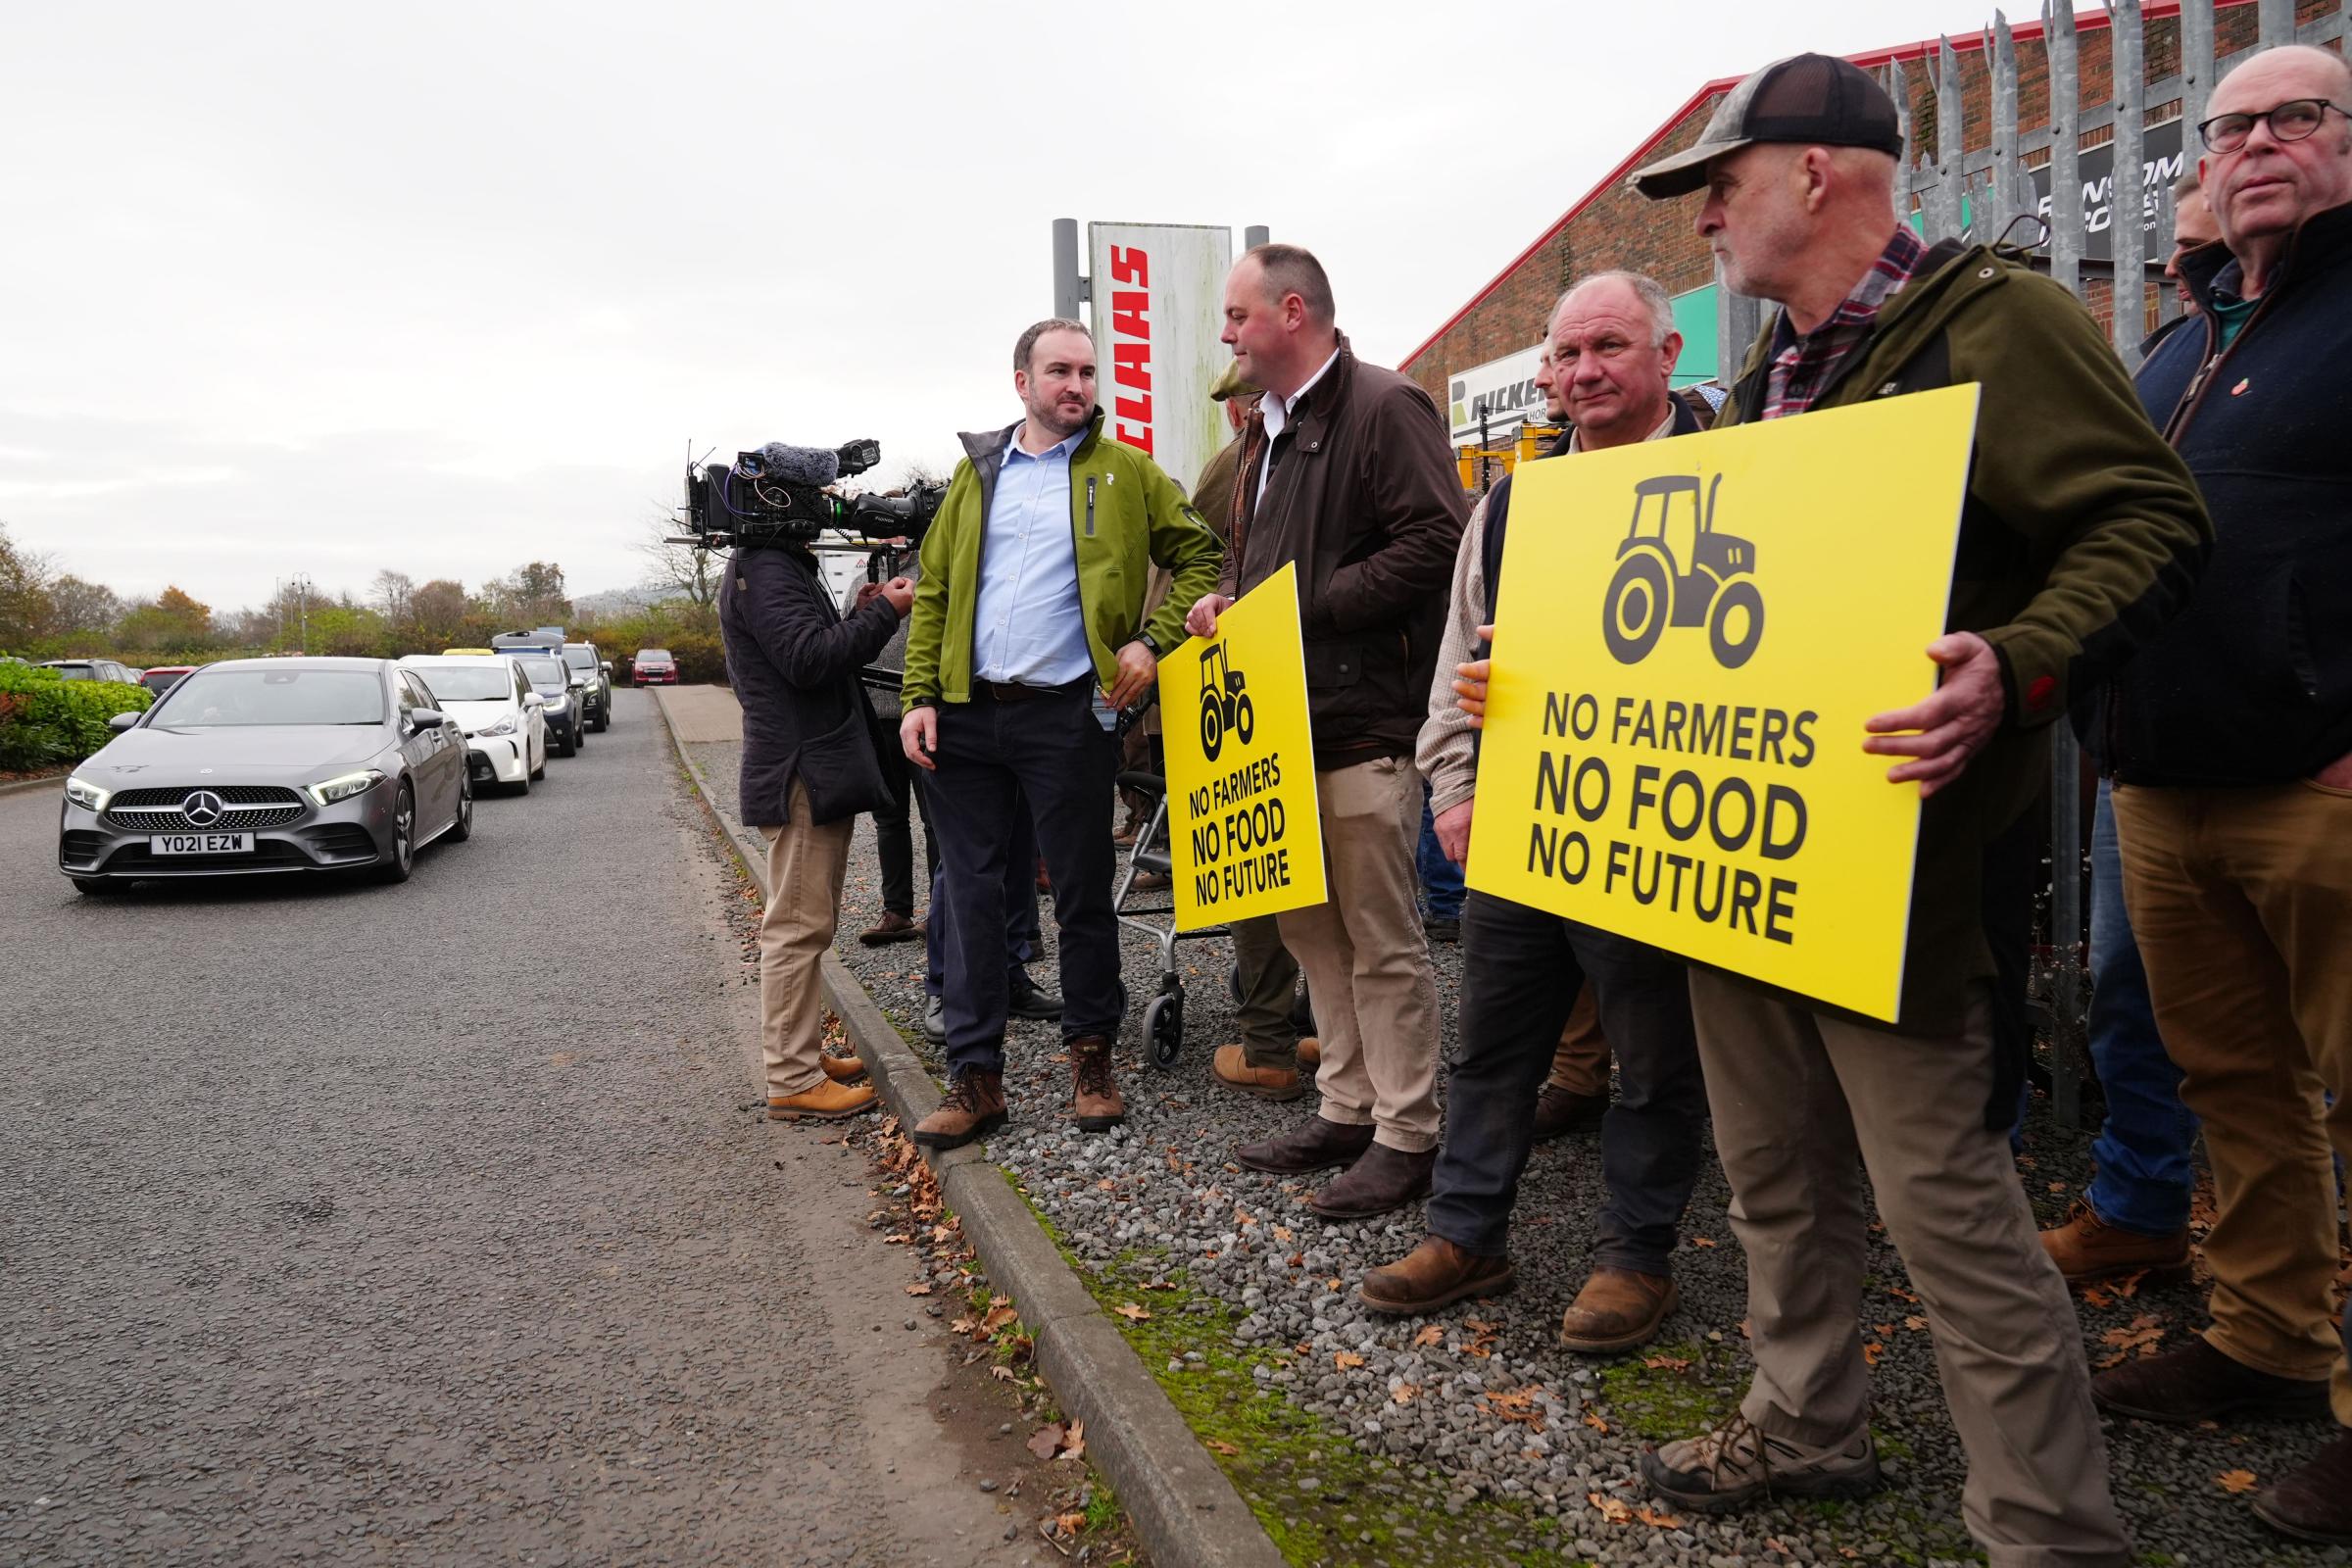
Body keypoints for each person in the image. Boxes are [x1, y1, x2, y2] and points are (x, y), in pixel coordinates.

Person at [1578, 51, 2210, 1563]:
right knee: (1774, 1177)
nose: (1706, 218)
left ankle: (2050, 1528)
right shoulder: (1771, 379)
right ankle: (1807, 1424)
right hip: (1743, 869)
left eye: (1721, 184)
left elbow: (2150, 516)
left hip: (1901, 875)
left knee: (1952, 1216)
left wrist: (2018, 662)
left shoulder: (1991, 325)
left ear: (1818, 173)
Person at [2087, 44, 2352, 1544]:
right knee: (2239, 1090)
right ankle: (2266, 1338)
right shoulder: (2183, 347)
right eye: (2229, 126)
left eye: (2296, 117)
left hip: (2317, 788)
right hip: (2168, 786)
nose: (2256, 145)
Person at [1360, 272, 1709, 1353]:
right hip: (1526, 816)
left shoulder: (1730, 477)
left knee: (1655, 1057)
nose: (1583, 372)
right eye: (1565, 355)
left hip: (1661, 820)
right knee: (1497, 1043)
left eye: (1607, 346)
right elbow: (1463, 656)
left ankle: (1634, 1258)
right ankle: (1467, 1232)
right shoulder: (1513, 502)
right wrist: (1457, 790)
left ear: (1667, 349)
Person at [1186, 244, 1466, 1218]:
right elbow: (1259, 565)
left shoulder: (1388, 408)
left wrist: (1302, 607)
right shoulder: (1263, 436)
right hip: (1280, 731)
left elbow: (1439, 538)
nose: (1225, 333)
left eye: (1235, 314)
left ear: (1291, 312)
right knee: (1312, 932)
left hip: (1360, 725)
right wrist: (1226, 603)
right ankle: (1345, 1105)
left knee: (1383, 938)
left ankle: (1407, 1132)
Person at [901, 318, 1223, 1150]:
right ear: (1022, 383)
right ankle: (976, 1080)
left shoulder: (1127, 473)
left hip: (1068, 713)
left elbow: (1200, 556)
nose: (1076, 386)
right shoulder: (976, 476)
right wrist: (919, 695)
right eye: (1058, 372)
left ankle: (1092, 1058)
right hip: (967, 717)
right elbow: (933, 590)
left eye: (1086, 372)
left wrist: (1154, 643)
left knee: (1081, 892)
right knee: (968, 898)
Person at [2035, 165, 2227, 1287]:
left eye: (2190, 255)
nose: (2180, 268)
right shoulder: (2162, 360)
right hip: (2148, 747)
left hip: (2309, 759)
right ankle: (2143, 1202)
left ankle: (2299, 1269)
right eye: (2181, 253)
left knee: (2314, 1047)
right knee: (2133, 994)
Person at [717, 519, 915, 1121]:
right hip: (801, 772)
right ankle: (792, 1078)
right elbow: (806, 661)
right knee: (797, 930)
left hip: (806, 767)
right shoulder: (770, 567)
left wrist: (855, 612)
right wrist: (884, 617)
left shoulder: (773, 563)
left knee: (809, 923)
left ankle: (800, 1054)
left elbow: (800, 646)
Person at [1190, 363, 1321, 1103]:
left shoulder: (1238, 462)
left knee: (1257, 853)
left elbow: (1197, 547)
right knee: (1284, 852)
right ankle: (1317, 1035)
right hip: (1296, 669)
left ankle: (1271, 1041)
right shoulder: (1292, 446)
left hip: (1256, 669)